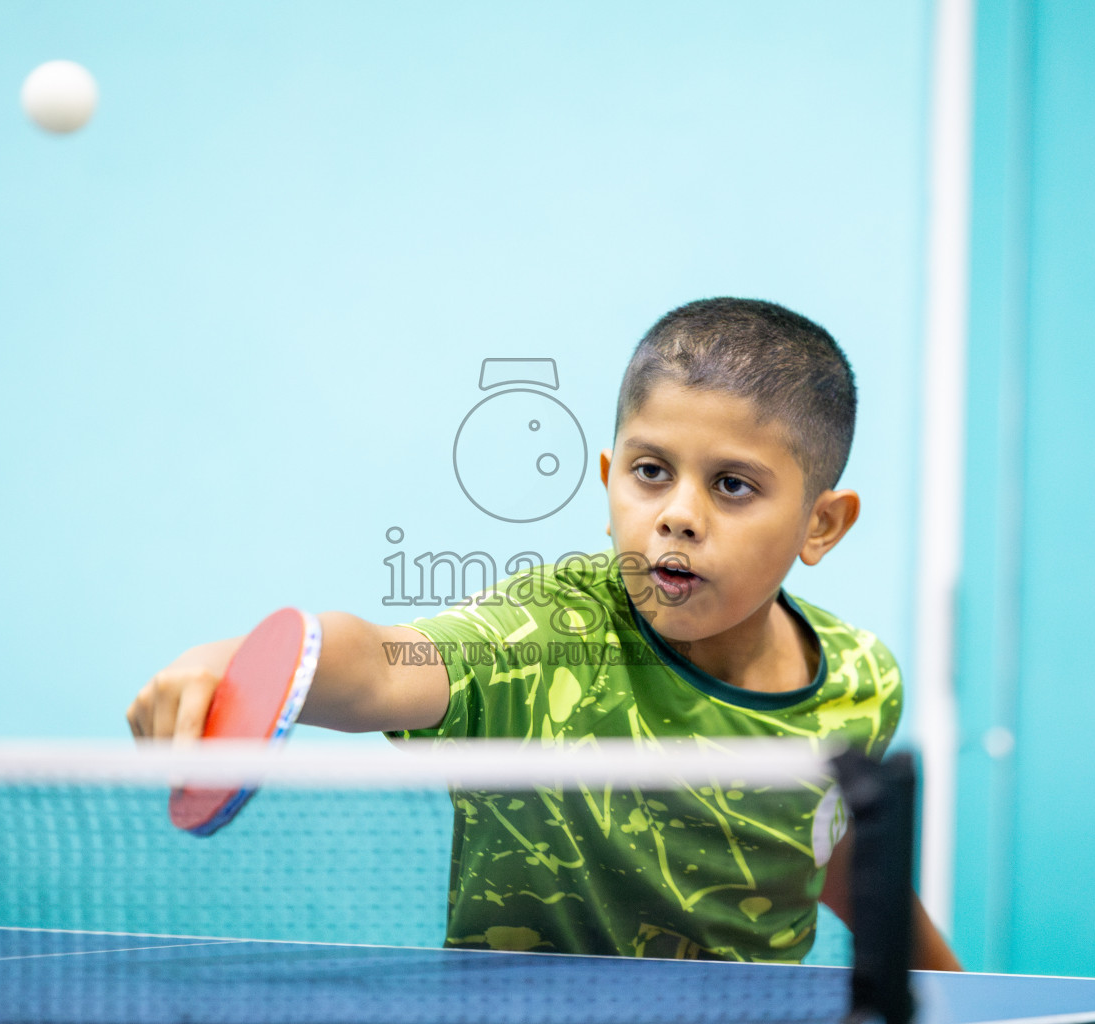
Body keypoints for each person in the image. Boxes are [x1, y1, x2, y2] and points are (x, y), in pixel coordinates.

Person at [127, 297, 962, 970]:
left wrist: (960, 999)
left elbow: (828, 846)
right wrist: (238, 662)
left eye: (734, 485)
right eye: (650, 472)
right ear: (608, 483)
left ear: (822, 525)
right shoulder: (545, 634)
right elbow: (383, 665)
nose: (677, 514)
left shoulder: (861, 679)